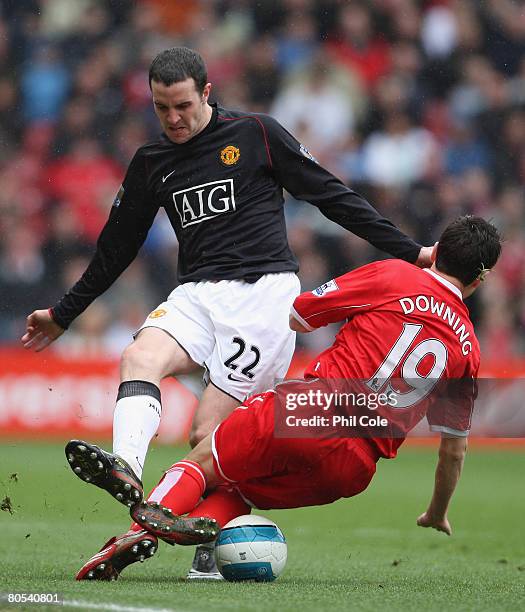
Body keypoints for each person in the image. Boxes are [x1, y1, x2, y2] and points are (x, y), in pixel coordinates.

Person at [23, 47, 430, 578]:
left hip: (262, 299)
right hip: (195, 294)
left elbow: (332, 195)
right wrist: (64, 313)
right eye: (161, 108)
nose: (173, 119)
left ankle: (207, 551)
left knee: (206, 438)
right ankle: (126, 466)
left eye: (183, 106)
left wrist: (410, 251)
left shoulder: (256, 134)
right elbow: (115, 249)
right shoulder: (151, 163)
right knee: (139, 356)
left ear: (207, 94)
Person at [70, 215, 502, 581]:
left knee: (203, 461)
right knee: (240, 488)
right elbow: (454, 450)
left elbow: (300, 315)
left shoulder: (396, 274)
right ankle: (195, 528)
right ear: (480, 279)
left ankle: (135, 535)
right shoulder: (468, 349)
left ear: (437, 248)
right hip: (355, 467)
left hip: (315, 411)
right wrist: (436, 511)